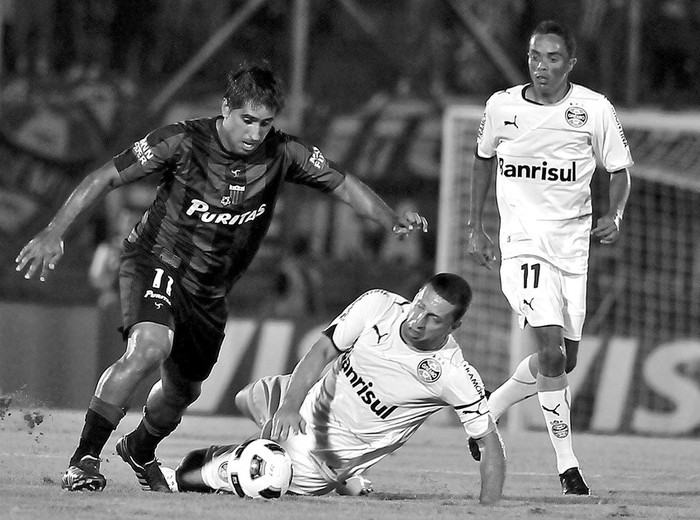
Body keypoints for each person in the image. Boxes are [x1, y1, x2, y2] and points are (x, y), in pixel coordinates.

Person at [14, 62, 428, 493]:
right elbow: (104, 178)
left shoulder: (283, 153)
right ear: (225, 107)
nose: (255, 133)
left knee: (181, 394)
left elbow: (342, 184)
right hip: (157, 259)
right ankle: (84, 460)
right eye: (247, 120)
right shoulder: (181, 141)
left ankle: (139, 448)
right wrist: (54, 232)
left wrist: (390, 218)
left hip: (210, 290)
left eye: (265, 123)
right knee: (150, 346)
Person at [466, 20, 632, 496]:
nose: (541, 66)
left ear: (570, 63)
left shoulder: (593, 110)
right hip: (522, 245)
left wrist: (615, 214)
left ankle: (487, 411)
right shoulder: (501, 106)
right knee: (552, 351)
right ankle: (567, 466)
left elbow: (619, 169)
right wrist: (477, 227)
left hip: (572, 249)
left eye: (553, 58)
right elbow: (482, 157)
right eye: (535, 56)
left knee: (563, 360)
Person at [168, 273, 505, 504]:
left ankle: (340, 477)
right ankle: (339, 474)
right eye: (419, 305)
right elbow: (323, 351)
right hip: (303, 411)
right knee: (249, 397)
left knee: (202, 471)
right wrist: (289, 405)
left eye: (434, 318)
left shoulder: (451, 373)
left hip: (321, 461)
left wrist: (486, 508)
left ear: (454, 326)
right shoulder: (379, 306)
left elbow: (490, 442)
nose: (417, 321)